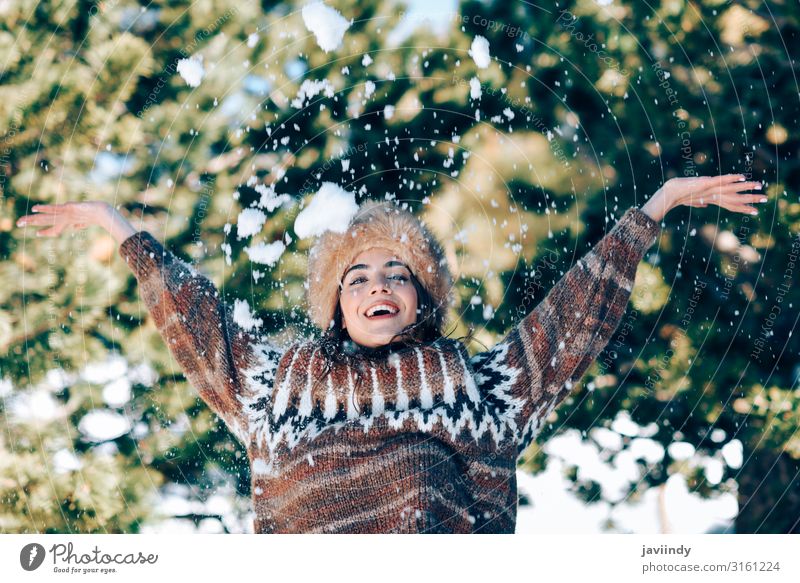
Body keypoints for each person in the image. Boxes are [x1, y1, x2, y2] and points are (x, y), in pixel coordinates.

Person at [15, 174, 765, 533]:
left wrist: (656, 206)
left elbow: (576, 315)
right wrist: (116, 225)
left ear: (420, 296)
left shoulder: (484, 384)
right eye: (359, 276)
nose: (378, 287)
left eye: (397, 274)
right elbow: (192, 315)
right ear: (335, 302)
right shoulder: (274, 383)